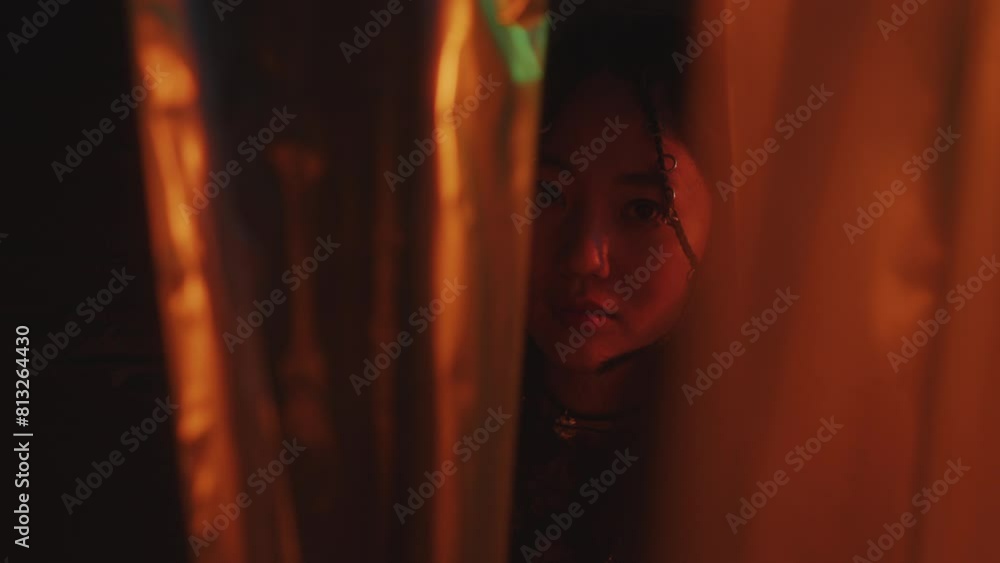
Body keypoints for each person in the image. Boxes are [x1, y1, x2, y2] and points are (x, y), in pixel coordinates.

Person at [509, 8, 712, 563]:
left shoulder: (731, 474)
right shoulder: (443, 431)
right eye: (546, 196)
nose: (583, 257)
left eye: (642, 209)